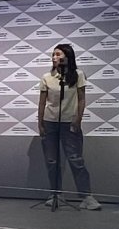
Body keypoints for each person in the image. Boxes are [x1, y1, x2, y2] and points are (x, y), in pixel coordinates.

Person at [38, 43, 100, 211]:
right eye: (53, 54)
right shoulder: (47, 77)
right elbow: (42, 102)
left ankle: (86, 196)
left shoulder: (78, 75)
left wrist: (78, 120)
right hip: (50, 122)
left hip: (69, 123)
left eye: (58, 54)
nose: (54, 57)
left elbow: (81, 99)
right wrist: (40, 123)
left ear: (67, 56)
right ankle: (56, 194)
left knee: (75, 159)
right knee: (52, 160)